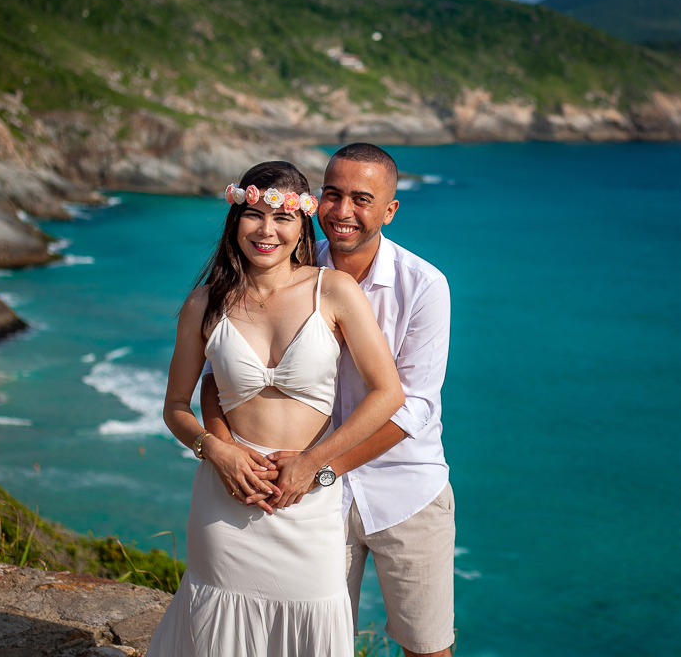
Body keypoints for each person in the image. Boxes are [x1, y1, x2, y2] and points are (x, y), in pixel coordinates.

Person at [201, 143, 455, 657]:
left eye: (362, 199)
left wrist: (319, 467)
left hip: (403, 487)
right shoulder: (284, 261)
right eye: (333, 194)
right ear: (315, 200)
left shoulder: (424, 285)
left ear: (390, 210)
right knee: (307, 640)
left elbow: (414, 407)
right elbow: (218, 371)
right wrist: (225, 450)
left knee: (427, 647)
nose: (343, 211)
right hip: (302, 498)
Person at [148, 160, 405, 657]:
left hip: (308, 500)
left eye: (282, 217)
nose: (266, 231)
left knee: (313, 619)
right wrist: (217, 452)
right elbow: (176, 406)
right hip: (226, 500)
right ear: (235, 220)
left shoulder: (334, 290)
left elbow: (388, 394)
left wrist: (312, 463)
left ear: (301, 224)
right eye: (254, 215)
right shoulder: (204, 303)